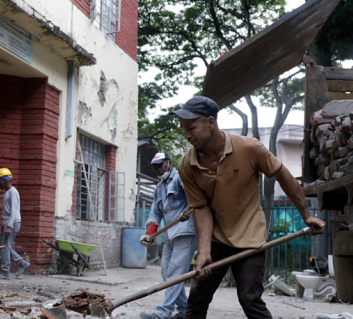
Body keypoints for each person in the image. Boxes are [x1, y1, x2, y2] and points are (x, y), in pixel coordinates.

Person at [173, 96, 326, 319]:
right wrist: (204, 252)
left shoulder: (249, 148)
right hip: (216, 238)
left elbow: (284, 177)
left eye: (191, 128)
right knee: (197, 298)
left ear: (210, 123)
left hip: (250, 238)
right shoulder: (187, 165)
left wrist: (306, 215)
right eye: (184, 130)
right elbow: (201, 208)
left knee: (249, 298)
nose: (186, 136)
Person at [139, 153, 197, 319]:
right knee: (167, 274)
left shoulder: (180, 178)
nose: (158, 169)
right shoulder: (159, 188)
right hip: (170, 235)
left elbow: (196, 197)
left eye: (160, 165)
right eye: (155, 167)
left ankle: (162, 313)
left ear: (169, 163)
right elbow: (155, 214)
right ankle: (185, 310)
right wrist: (149, 234)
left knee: (175, 274)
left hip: (185, 231)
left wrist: (189, 208)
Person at [0, 168, 30, 280]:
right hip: (9, 223)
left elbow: (14, 211)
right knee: (5, 247)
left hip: (12, 223)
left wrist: (9, 226)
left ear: (4, 180)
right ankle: (21, 262)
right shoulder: (9, 192)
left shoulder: (12, 192)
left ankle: (5, 272)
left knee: (5, 247)